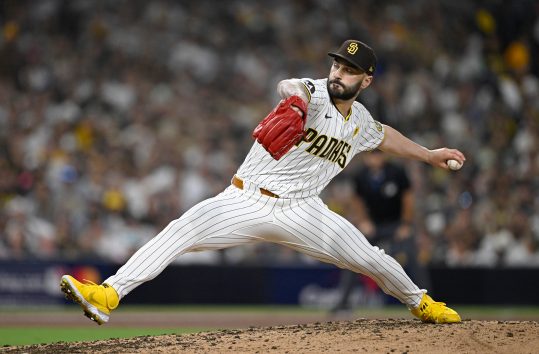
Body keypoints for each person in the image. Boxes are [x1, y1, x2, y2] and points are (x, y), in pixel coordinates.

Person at [61, 39, 465, 325]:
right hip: (245, 200)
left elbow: (385, 135)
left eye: (350, 70)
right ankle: (108, 294)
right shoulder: (313, 91)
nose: (339, 73)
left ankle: (421, 304)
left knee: (372, 258)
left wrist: (429, 154)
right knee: (179, 230)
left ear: (367, 80)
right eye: (337, 65)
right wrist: (298, 101)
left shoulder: (358, 120)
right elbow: (289, 85)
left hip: (304, 210)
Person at [331, 150, 429, 313]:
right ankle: (343, 302)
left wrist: (405, 224)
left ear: (384, 156)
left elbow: (408, 199)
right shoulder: (360, 175)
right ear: (366, 157)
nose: (374, 159)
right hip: (373, 225)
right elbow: (357, 200)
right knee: (353, 255)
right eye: (371, 156)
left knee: (412, 258)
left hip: (396, 224)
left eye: (377, 155)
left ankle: (428, 300)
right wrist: (363, 221)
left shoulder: (396, 172)